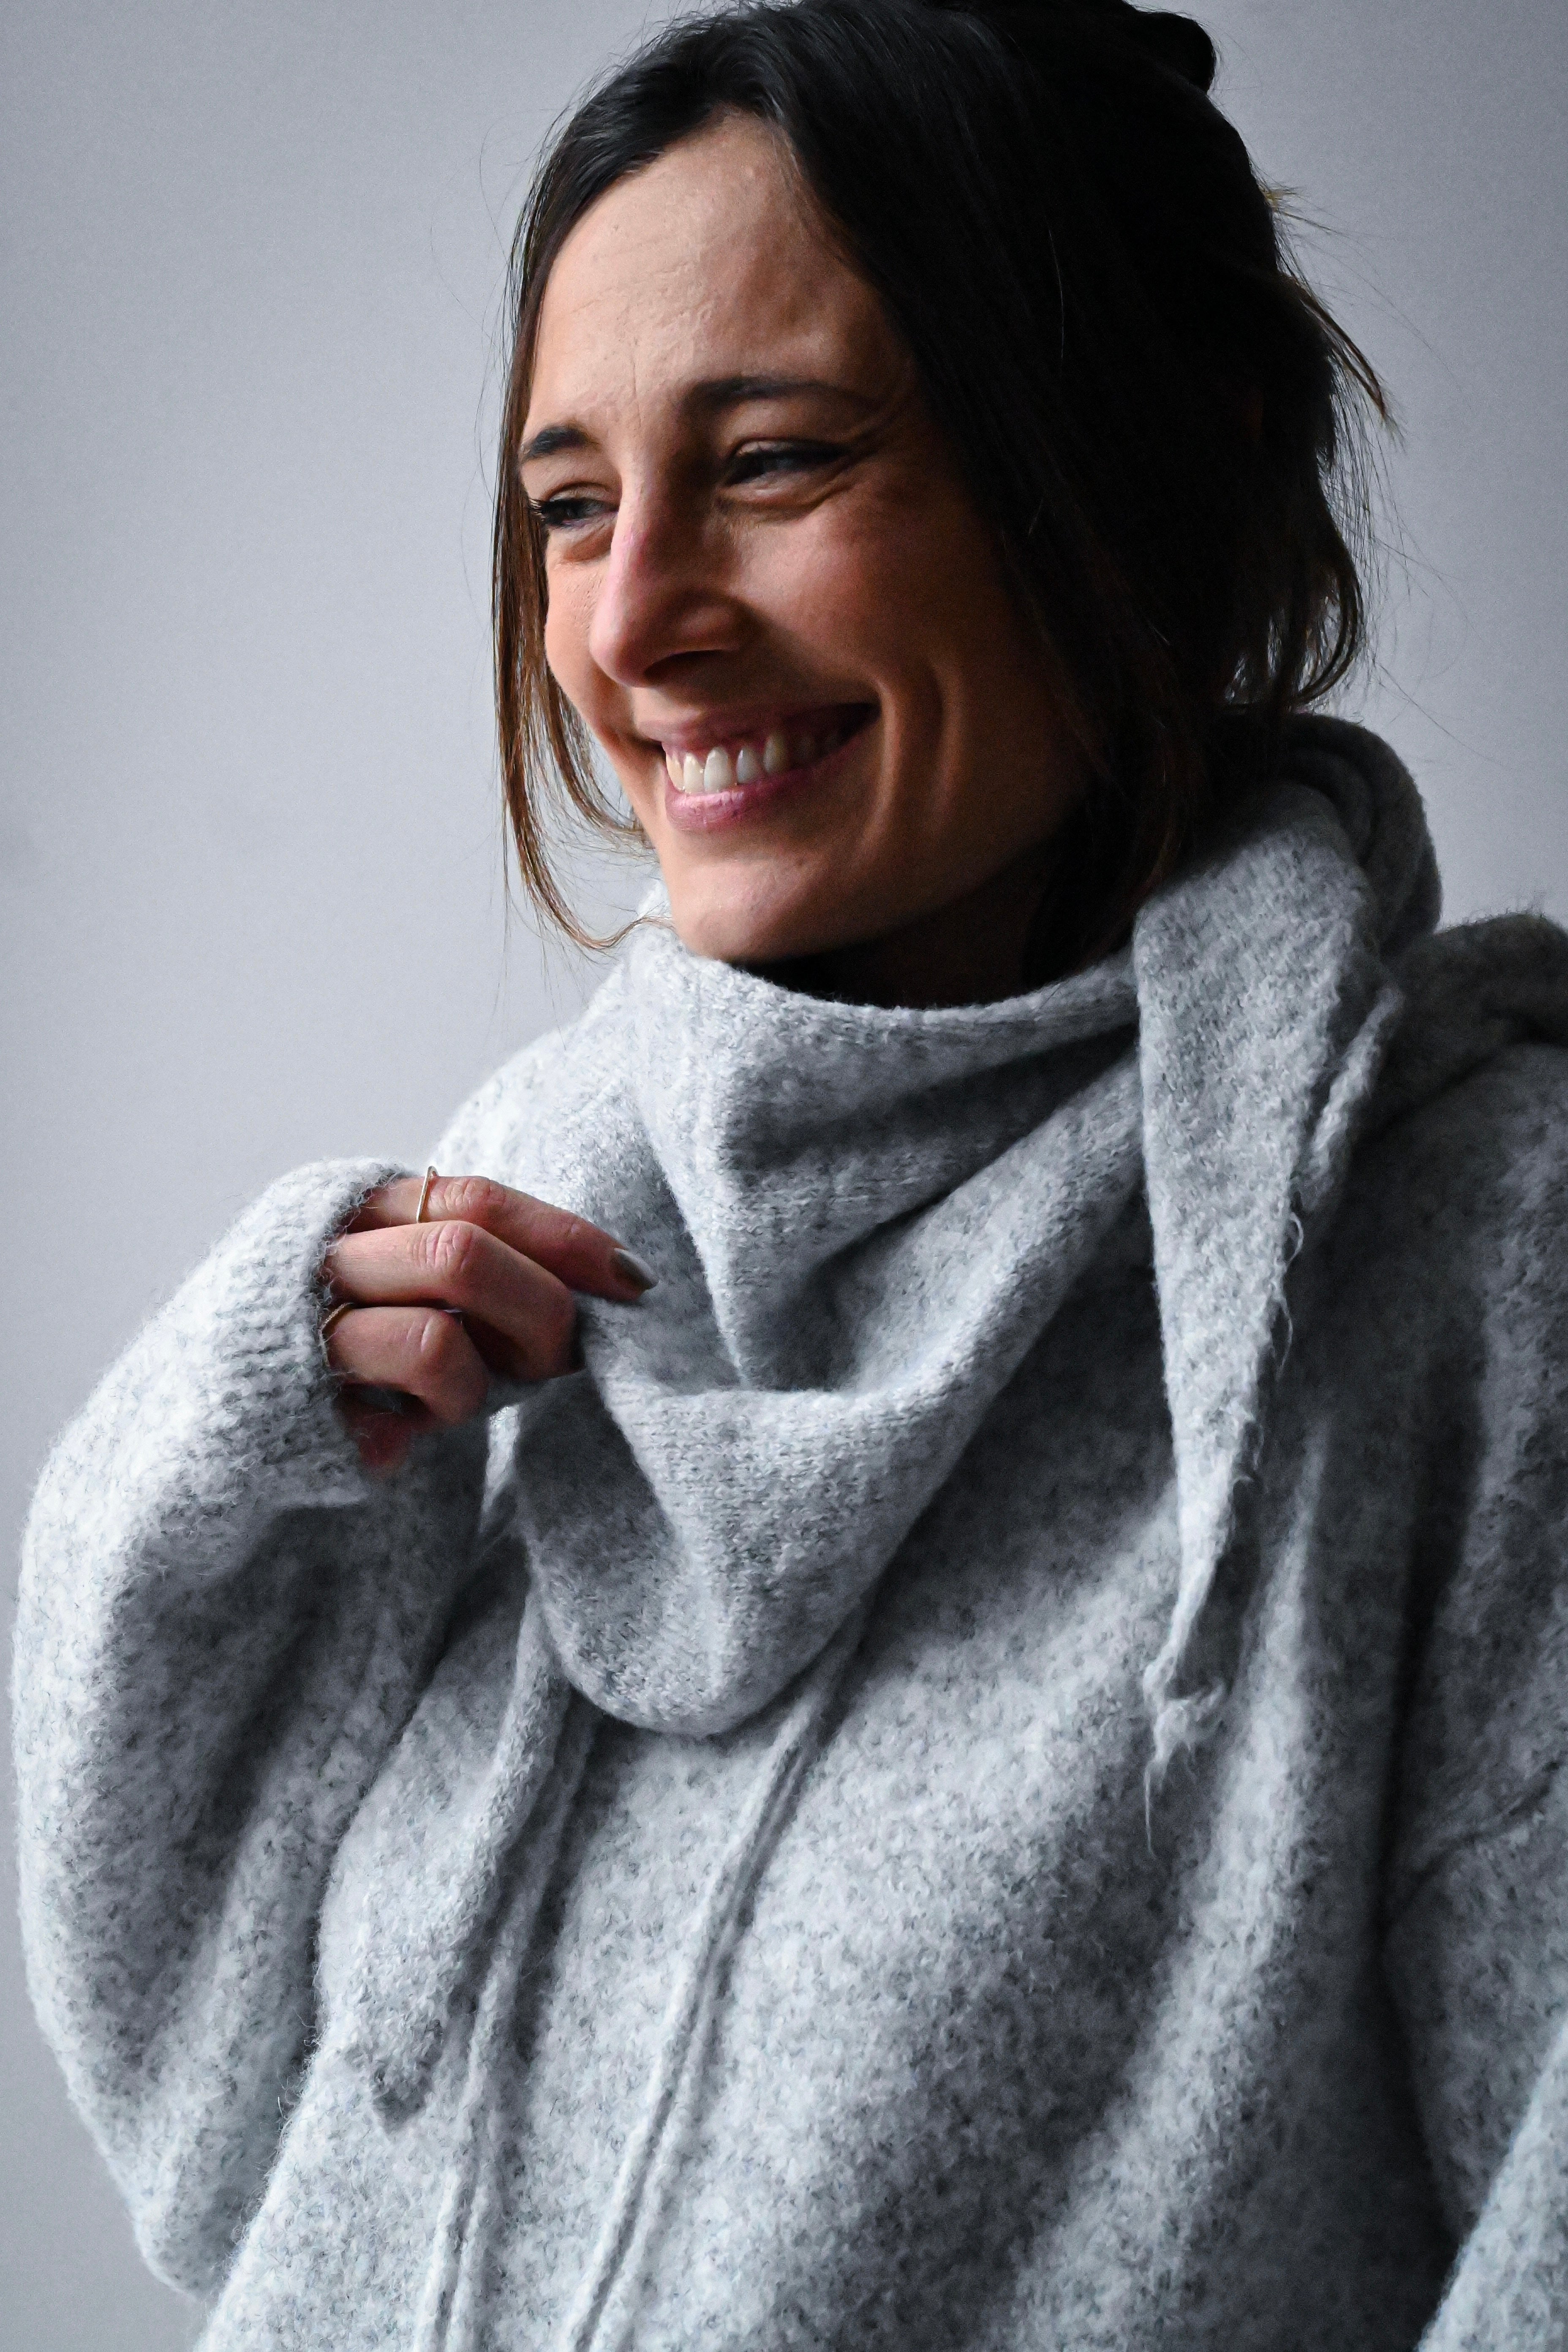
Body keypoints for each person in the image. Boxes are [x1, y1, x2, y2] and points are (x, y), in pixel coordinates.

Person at [14, 0, 1568, 2345]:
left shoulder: (1478, 1266)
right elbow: (224, 2133)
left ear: (1155, 462)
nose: (631, 622)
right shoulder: (529, 1225)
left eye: (773, 460)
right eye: (568, 506)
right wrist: (207, 1471)